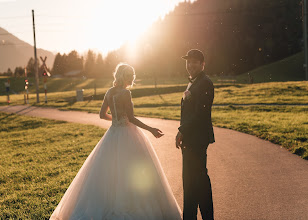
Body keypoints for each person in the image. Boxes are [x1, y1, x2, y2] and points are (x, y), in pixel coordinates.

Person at [50, 63, 182, 220]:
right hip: (128, 133)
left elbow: (101, 115)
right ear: (124, 76)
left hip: (112, 134)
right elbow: (132, 118)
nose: (132, 78)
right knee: (130, 170)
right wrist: (151, 129)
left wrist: (116, 120)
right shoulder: (125, 93)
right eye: (130, 76)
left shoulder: (109, 92)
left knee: (108, 171)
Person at [175, 49, 215, 220]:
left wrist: (182, 130)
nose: (190, 65)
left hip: (197, 139)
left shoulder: (205, 82)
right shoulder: (193, 82)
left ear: (202, 64)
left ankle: (207, 216)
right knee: (191, 181)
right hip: (190, 139)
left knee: (198, 180)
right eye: (188, 62)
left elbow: (200, 114)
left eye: (194, 62)